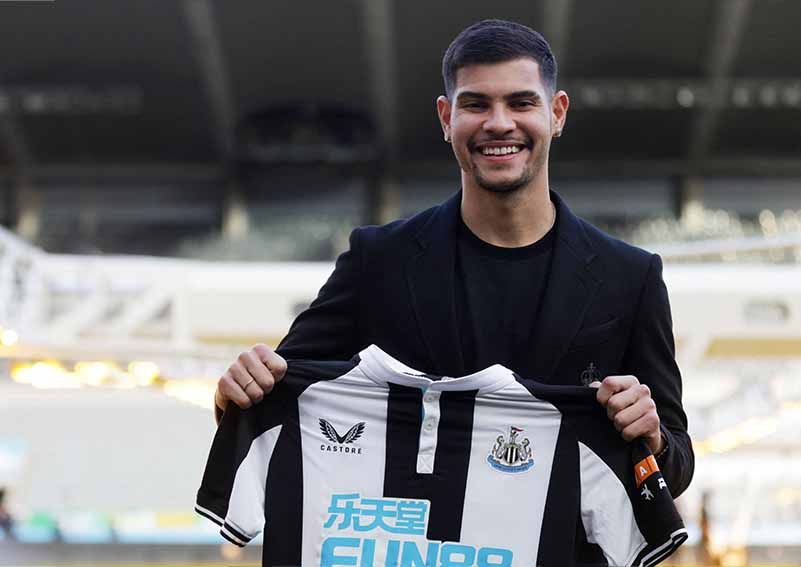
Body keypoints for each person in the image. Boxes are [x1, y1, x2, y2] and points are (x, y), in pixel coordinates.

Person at [213, 19, 693, 500]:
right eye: (476, 104)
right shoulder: (377, 263)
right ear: (446, 118)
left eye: (521, 102)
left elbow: (676, 467)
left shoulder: (631, 278)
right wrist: (231, 395)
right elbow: (274, 403)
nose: (499, 123)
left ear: (557, 113)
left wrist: (652, 438)